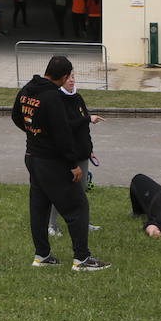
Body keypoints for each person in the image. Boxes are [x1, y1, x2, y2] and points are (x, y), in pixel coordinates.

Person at [11, 55, 110, 272]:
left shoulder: (27, 90)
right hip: (51, 161)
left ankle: (42, 256)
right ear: (64, 76)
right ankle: (82, 260)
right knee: (78, 206)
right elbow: (62, 134)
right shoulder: (52, 97)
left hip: (32, 157)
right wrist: (73, 164)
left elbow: (16, 117)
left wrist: (34, 133)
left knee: (39, 208)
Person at [48, 72, 105, 238]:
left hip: (82, 154)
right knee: (61, 192)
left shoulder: (78, 97)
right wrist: (88, 118)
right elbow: (65, 126)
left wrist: (89, 149)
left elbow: (83, 128)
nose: (72, 80)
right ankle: (52, 225)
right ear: (61, 80)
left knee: (81, 192)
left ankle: (83, 223)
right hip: (65, 155)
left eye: (73, 76)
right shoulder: (57, 100)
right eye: (68, 77)